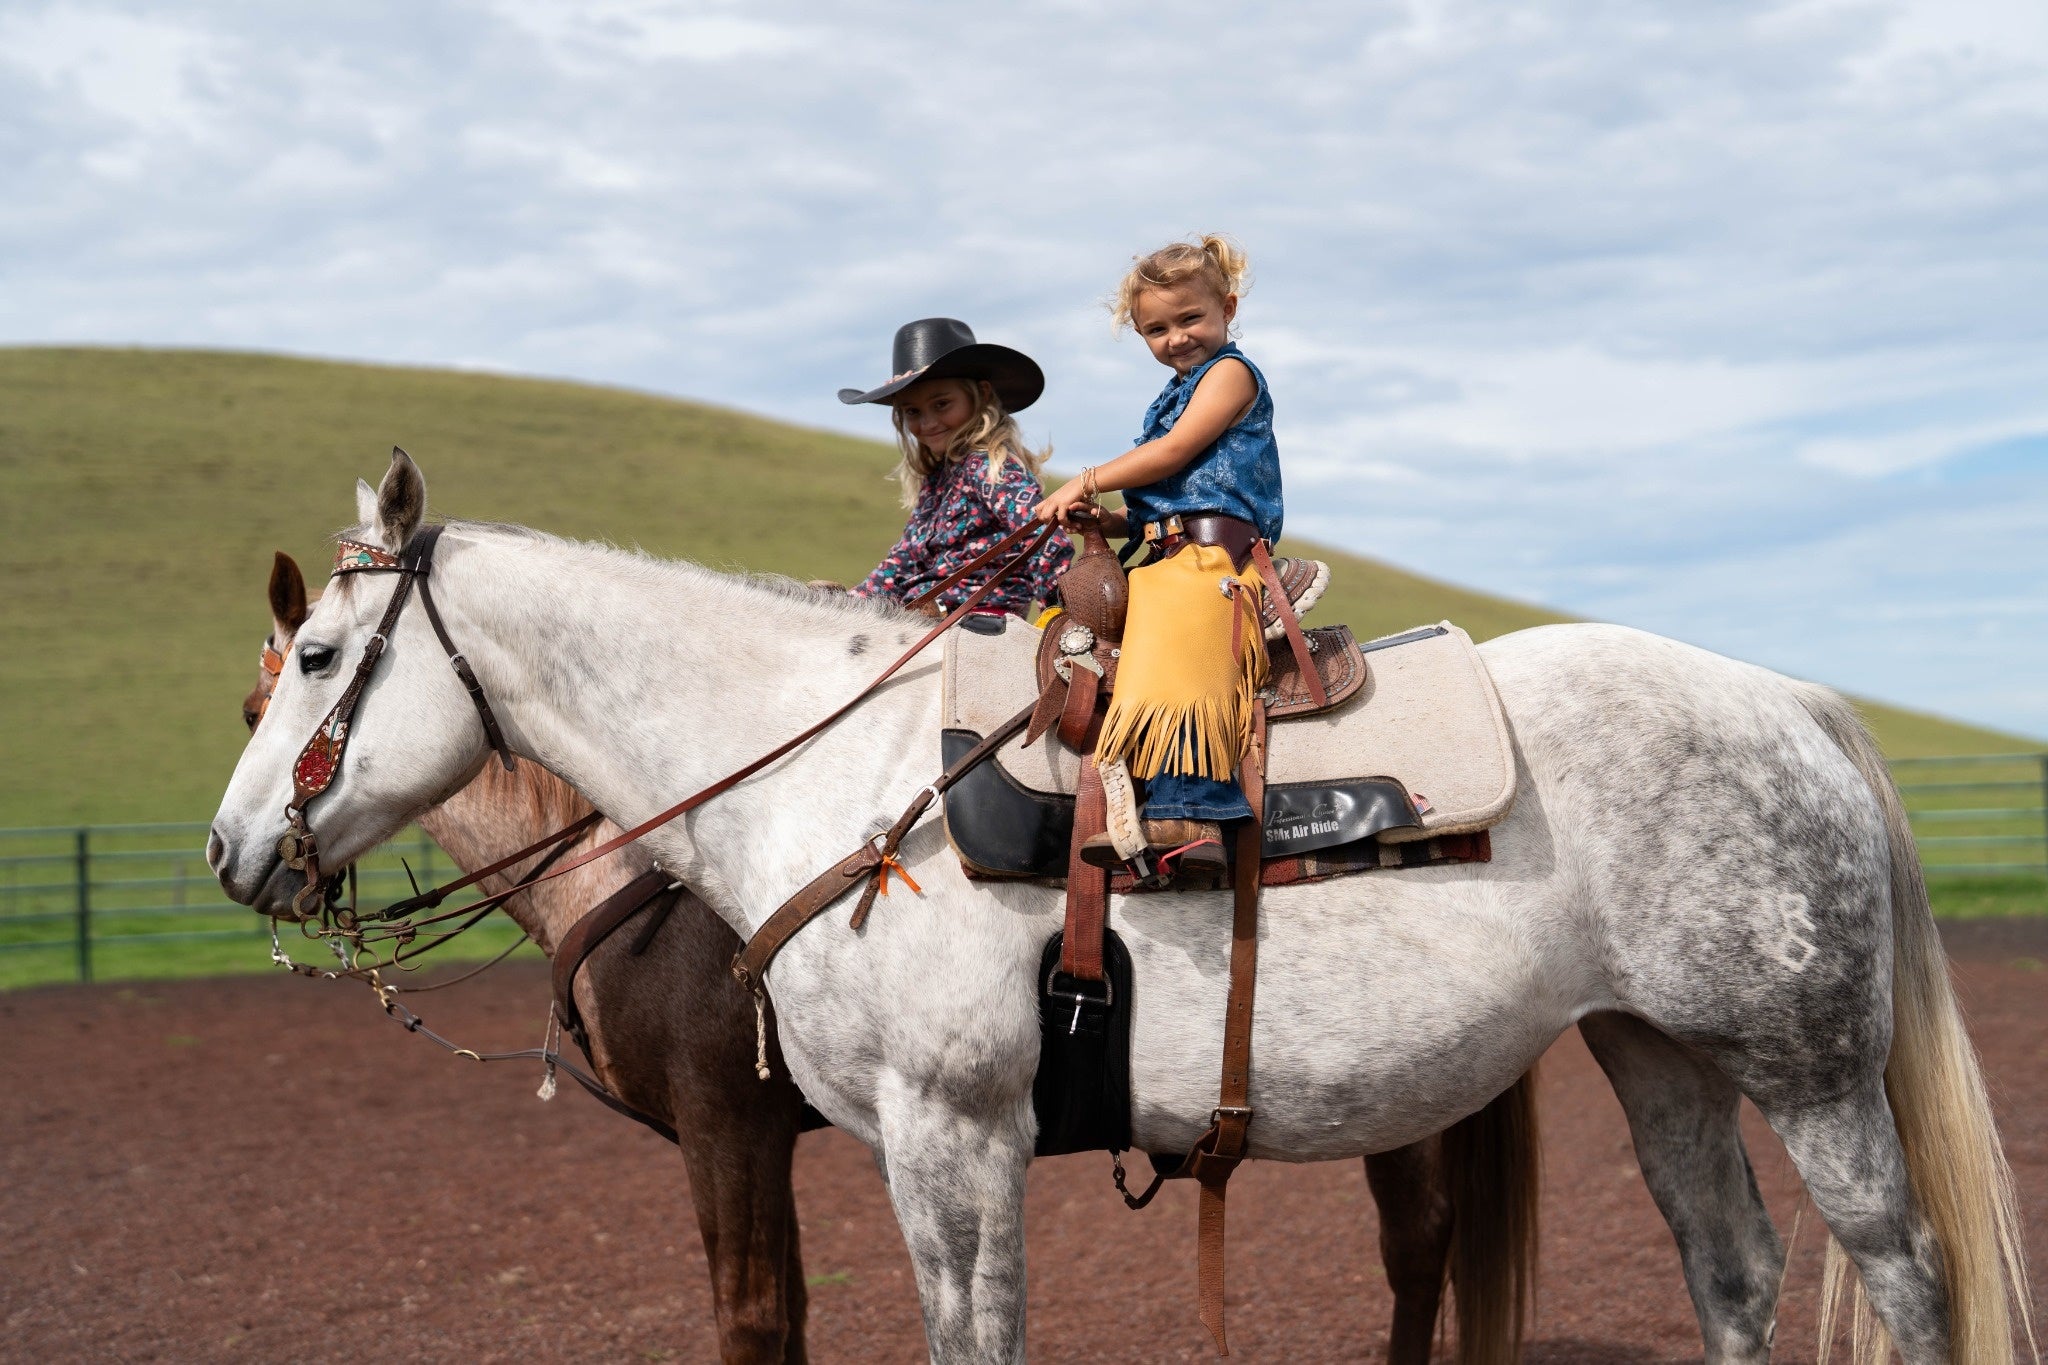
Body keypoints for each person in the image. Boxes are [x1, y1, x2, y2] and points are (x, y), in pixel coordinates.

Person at [1037, 235, 1279, 877]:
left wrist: (1086, 480)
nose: (1176, 338)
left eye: (1190, 318)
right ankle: (1105, 804)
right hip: (1166, 549)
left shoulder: (1231, 375)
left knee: (1178, 632)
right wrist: (1108, 520)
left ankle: (1196, 808)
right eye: (1156, 329)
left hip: (1215, 557)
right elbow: (1156, 501)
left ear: (1227, 308)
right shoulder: (1166, 398)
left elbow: (1172, 457)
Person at [837, 318, 1072, 615]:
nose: (928, 422)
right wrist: (846, 605)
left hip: (978, 623)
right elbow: (903, 560)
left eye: (942, 404)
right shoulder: (938, 481)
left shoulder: (990, 467)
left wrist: (1056, 615)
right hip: (923, 616)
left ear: (982, 395)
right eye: (912, 411)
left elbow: (1044, 535)